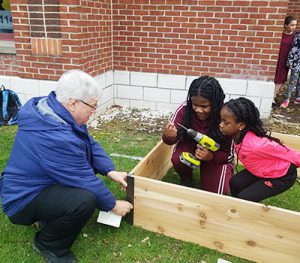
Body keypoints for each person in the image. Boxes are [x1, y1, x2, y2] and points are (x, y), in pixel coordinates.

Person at [0, 70, 133, 263]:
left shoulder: (55, 112)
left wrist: (109, 170)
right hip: (21, 200)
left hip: (37, 185)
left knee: (81, 194)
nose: (94, 112)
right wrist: (113, 205)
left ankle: (49, 216)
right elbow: (85, 179)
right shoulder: (55, 135)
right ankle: (49, 245)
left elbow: (88, 142)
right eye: (93, 107)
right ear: (73, 103)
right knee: (84, 200)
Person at [162, 76, 234, 194]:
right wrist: (168, 136)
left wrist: (211, 157)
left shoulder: (225, 115)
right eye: (195, 104)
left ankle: (223, 172)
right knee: (178, 158)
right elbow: (170, 140)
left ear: (215, 103)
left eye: (204, 106)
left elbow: (228, 155)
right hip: (190, 147)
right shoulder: (185, 109)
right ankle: (186, 178)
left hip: (214, 154)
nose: (198, 110)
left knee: (216, 194)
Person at [219, 97, 300, 202]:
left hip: (282, 176)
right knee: (235, 182)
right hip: (261, 170)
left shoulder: (256, 145)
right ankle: (237, 208)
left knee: (246, 198)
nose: (220, 125)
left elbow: (289, 153)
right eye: (221, 120)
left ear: (241, 125)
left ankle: (244, 210)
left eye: (225, 122)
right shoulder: (236, 135)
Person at [273, 15, 297, 106]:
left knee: (281, 78)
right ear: (285, 25)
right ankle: (271, 97)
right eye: (291, 25)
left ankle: (273, 97)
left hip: (286, 60)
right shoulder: (280, 34)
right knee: (274, 76)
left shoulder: (296, 36)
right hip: (277, 57)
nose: (293, 27)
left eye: (295, 25)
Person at [280, 31, 300, 108]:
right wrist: (290, 61)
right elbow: (294, 48)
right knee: (293, 81)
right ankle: (286, 99)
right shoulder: (298, 35)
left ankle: (298, 97)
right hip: (297, 62)